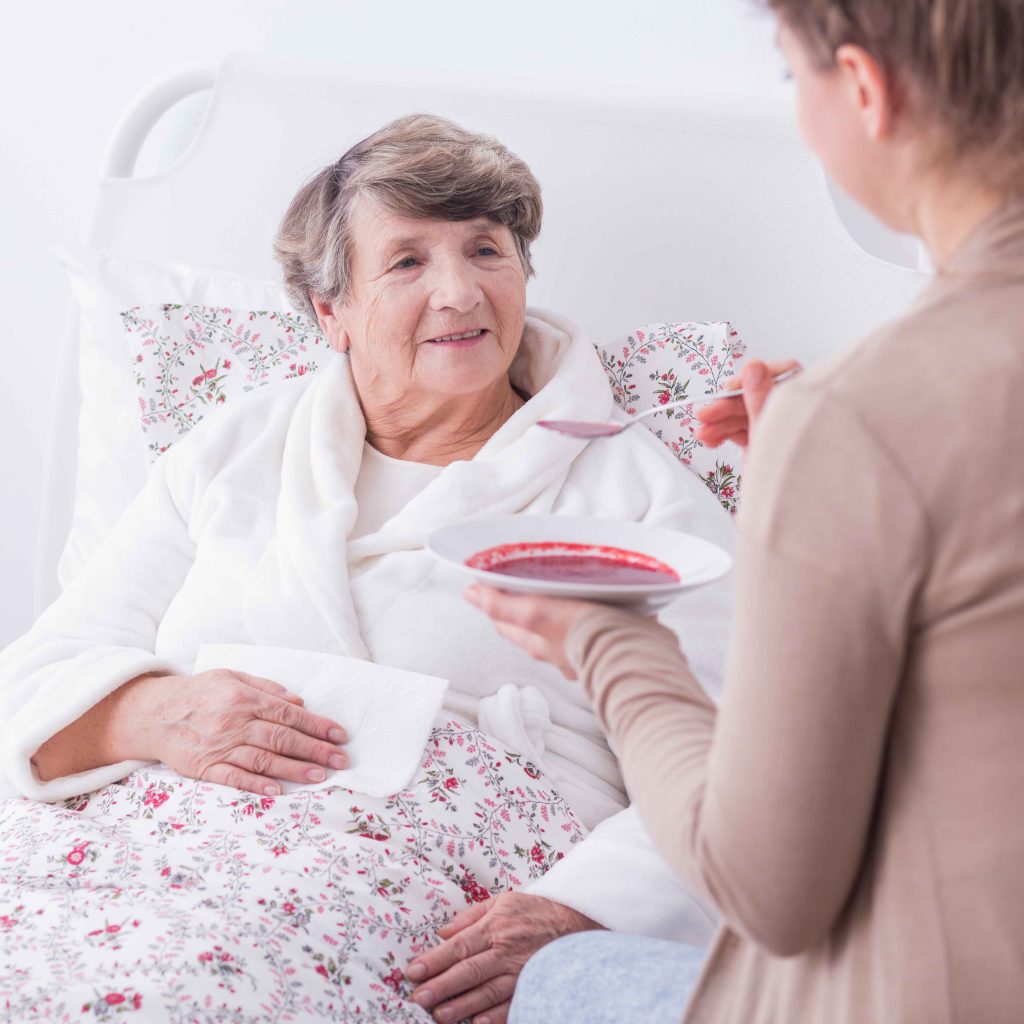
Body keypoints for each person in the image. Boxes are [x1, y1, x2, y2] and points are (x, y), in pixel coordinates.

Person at [0, 115, 732, 1023]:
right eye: (407, 262)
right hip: (130, 843)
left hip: (406, 881)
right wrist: (151, 713)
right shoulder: (236, 447)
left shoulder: (631, 488)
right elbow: (42, 667)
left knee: (168, 997)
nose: (460, 292)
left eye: (486, 251)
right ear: (329, 312)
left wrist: (580, 912)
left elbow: (742, 762)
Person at [469, 2, 1024, 1022]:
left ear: (866, 90)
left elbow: (765, 886)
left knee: (560, 978)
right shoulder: (861, 425)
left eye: (791, 78)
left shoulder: (860, 420)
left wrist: (607, 642)